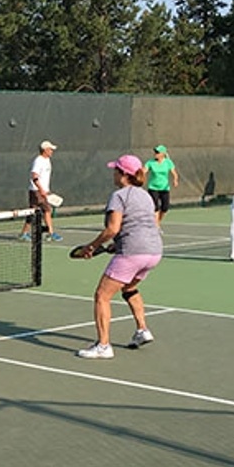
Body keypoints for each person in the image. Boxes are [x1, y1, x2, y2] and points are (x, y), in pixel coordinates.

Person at [75, 154, 163, 360]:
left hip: (133, 252)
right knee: (129, 287)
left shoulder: (119, 195)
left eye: (115, 170)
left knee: (102, 296)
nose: (113, 173)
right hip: (154, 251)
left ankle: (103, 345)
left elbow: (112, 228)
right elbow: (143, 224)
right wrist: (117, 244)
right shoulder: (146, 196)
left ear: (123, 174)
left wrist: (91, 246)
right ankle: (142, 330)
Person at [20, 140, 63, 241]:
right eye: (50, 149)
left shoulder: (47, 160)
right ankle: (49, 233)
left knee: (39, 211)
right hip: (36, 191)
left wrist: (46, 190)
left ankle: (26, 233)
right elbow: (34, 177)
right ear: (45, 150)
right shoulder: (38, 161)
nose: (52, 151)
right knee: (44, 211)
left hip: (42, 191)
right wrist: (41, 190)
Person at [144, 144, 179, 226]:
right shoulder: (150, 162)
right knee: (155, 207)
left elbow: (174, 173)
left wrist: (175, 180)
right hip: (153, 188)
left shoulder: (168, 162)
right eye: (155, 152)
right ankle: (156, 225)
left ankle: (157, 221)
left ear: (163, 154)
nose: (155, 153)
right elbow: (143, 171)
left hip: (165, 188)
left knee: (165, 207)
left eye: (158, 152)